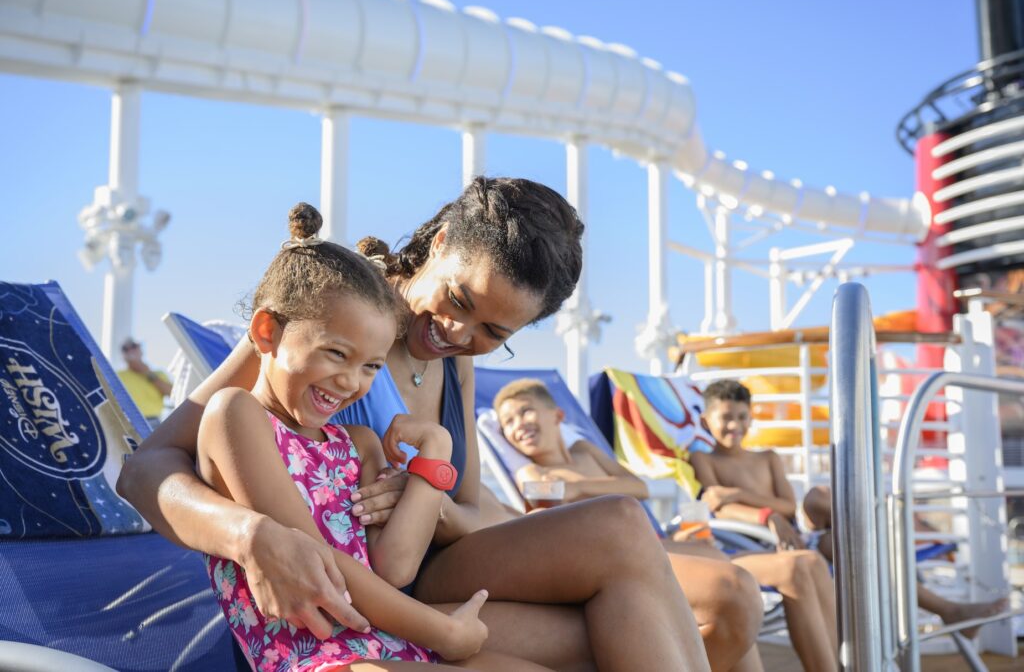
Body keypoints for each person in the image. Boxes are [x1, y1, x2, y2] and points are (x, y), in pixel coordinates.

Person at [118, 178, 715, 672]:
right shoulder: (333, 310)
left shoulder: (452, 367)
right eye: (459, 300)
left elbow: (470, 511)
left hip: (416, 567)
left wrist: (426, 491)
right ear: (441, 241)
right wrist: (250, 536)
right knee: (624, 604)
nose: (459, 334)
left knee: (663, 571)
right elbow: (146, 470)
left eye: (493, 334)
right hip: (365, 600)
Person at [493, 378, 839, 672]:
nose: (517, 424)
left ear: (557, 416)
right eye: (506, 422)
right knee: (730, 582)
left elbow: (638, 487)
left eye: (524, 411)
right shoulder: (534, 475)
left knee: (727, 574)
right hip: (619, 553)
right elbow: (574, 497)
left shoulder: (584, 450)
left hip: (654, 540)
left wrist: (580, 487)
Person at [691, 379, 1009, 644]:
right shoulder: (704, 460)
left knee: (819, 497)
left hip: (797, 537)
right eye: (726, 417)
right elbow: (719, 508)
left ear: (751, 418)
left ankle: (885, 540)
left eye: (743, 417)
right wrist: (765, 515)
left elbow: (787, 506)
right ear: (707, 420)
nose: (736, 425)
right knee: (856, 547)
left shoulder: (768, 458)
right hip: (758, 544)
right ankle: (944, 605)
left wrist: (740, 494)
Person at [118, 337, 172, 428]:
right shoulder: (117, 376)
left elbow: (171, 393)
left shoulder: (159, 374)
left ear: (140, 350)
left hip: (153, 422)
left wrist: (146, 373)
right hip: (126, 422)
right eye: (125, 349)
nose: (130, 350)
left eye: (133, 346)